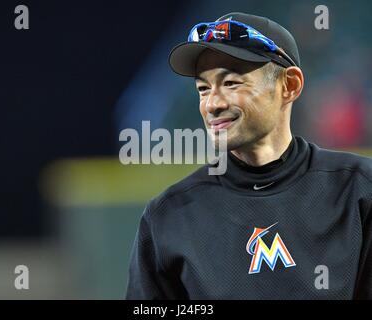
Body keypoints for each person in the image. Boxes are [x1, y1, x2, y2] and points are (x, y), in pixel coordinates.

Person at [125, 12, 372, 299]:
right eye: (203, 89)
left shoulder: (358, 190)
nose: (212, 105)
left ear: (289, 85)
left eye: (231, 83)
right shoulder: (168, 216)